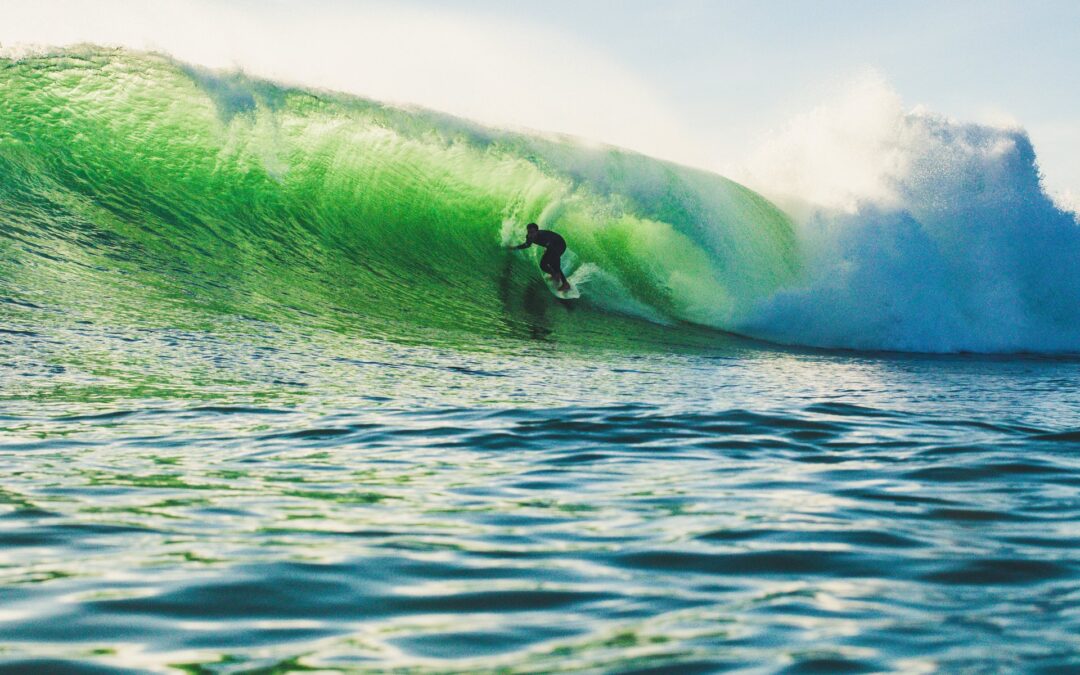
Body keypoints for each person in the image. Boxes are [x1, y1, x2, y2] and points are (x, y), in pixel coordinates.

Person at [511, 222, 571, 292]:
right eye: (529, 232)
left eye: (532, 232)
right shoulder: (529, 236)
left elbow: (556, 256)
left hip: (560, 244)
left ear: (537, 231)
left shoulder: (543, 237)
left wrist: (557, 270)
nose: (531, 234)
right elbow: (527, 245)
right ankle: (554, 275)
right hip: (551, 244)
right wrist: (515, 247)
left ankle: (565, 283)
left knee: (552, 261)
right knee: (543, 265)